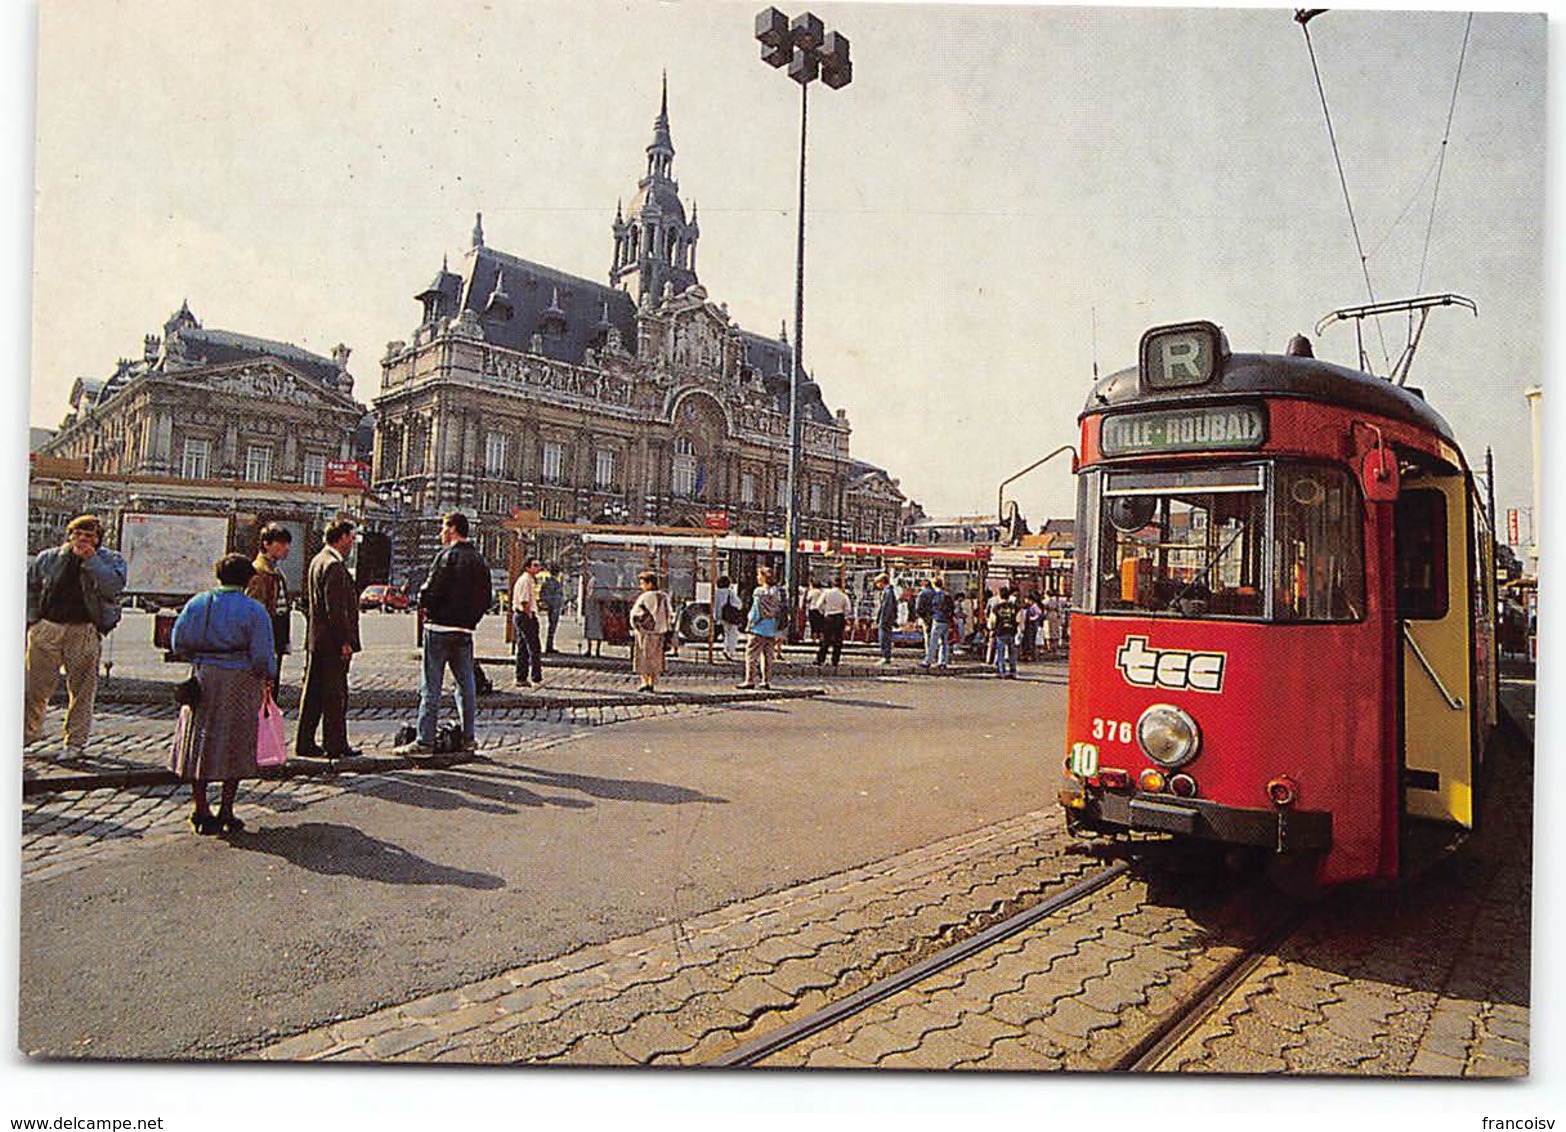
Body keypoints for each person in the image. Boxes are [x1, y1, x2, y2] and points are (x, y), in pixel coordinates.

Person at [169, 554, 276, 834]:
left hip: (205, 677)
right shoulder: (254, 610)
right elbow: (264, 655)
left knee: (200, 739)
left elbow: (178, 641)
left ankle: (200, 808)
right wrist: (267, 676)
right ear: (248, 579)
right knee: (236, 740)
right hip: (240, 680)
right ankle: (227, 808)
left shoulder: (199, 603)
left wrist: (200, 657)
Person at [24, 514, 128, 758]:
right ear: (70, 536)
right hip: (48, 626)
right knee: (34, 687)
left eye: (89, 536)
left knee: (81, 689)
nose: (82, 539)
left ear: (98, 540)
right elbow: (31, 587)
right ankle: (28, 734)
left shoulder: (110, 560)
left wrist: (91, 561)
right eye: (78, 534)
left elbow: (113, 587)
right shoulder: (49, 558)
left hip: (84, 628)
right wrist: (33, 621)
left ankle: (75, 742)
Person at [397, 512, 490, 755]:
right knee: (466, 686)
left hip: (439, 628)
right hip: (464, 631)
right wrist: (471, 620)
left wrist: (428, 608)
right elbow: (485, 598)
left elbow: (430, 590)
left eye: (443, 528)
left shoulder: (446, 556)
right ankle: (468, 738)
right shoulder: (479, 560)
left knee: (432, 685)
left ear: (452, 530)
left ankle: (425, 740)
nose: (440, 533)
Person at [295, 519, 361, 759]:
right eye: (351, 538)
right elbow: (336, 609)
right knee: (335, 694)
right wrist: (345, 640)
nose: (352, 543)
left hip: (317, 640)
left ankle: (305, 741)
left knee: (313, 692)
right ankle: (336, 744)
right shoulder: (334, 565)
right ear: (341, 537)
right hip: (333, 642)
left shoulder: (317, 560)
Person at [245, 524, 293, 680]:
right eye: (281, 543)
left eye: (287, 543)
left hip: (275, 639)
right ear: (266, 544)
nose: (286, 548)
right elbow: (255, 611)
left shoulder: (275, 571)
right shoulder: (259, 573)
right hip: (265, 640)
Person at [737, 565, 783, 690]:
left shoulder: (759, 592)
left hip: (758, 628)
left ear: (763, 577)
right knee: (767, 656)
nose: (757, 577)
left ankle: (750, 680)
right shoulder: (777, 592)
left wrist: (750, 623)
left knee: (751, 655)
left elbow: (755, 610)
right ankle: (766, 680)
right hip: (771, 628)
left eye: (759, 575)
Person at [628, 570, 674, 693]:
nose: (641, 586)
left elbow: (635, 614)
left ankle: (644, 682)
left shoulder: (645, 597)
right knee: (655, 658)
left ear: (649, 584)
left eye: (642, 583)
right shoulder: (664, 596)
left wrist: (635, 626)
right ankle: (652, 682)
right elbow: (669, 614)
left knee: (643, 657)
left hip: (645, 632)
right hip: (660, 632)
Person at [512, 557, 545, 687]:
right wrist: (529, 614)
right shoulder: (526, 580)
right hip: (525, 616)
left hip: (521, 615)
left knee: (523, 648)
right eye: (535, 565)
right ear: (527, 567)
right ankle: (536, 677)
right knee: (534, 647)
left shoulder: (528, 580)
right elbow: (524, 600)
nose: (538, 567)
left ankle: (521, 677)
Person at [815, 577, 852, 668]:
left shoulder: (826, 593)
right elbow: (848, 609)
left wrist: (823, 612)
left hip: (829, 617)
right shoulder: (843, 595)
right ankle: (835, 660)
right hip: (839, 617)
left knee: (826, 639)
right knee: (838, 640)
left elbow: (818, 605)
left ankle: (820, 659)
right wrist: (844, 615)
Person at [989, 587, 1020, 678]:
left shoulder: (996, 608)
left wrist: (992, 629)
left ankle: (1002, 671)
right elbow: (1018, 619)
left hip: (1000, 631)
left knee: (1000, 652)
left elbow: (992, 621)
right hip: (1011, 631)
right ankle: (1013, 671)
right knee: (1012, 653)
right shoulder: (1014, 607)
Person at [924, 575, 953, 670]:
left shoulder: (936, 595)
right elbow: (951, 608)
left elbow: (933, 607)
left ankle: (928, 660)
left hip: (937, 619)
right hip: (946, 620)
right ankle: (943, 662)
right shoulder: (947, 595)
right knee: (944, 643)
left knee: (933, 641)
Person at [712, 574, 743, 661]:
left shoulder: (716, 592)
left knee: (726, 633)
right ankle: (730, 651)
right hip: (730, 616)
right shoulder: (730, 592)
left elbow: (715, 605)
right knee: (733, 634)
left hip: (721, 616)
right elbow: (738, 604)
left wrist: (716, 617)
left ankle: (726, 649)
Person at [539, 565, 566, 654]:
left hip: (551, 606)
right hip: (554, 607)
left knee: (551, 627)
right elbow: (558, 596)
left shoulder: (547, 582)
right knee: (552, 627)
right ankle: (549, 645)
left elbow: (542, 593)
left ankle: (549, 645)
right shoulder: (556, 583)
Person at [873, 573, 898, 666]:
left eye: (878, 583)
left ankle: (885, 656)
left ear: (882, 582)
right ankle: (885, 656)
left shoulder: (888, 592)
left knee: (884, 638)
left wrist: (883, 620)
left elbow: (886, 607)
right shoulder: (889, 591)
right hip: (887, 619)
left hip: (885, 620)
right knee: (884, 638)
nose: (877, 585)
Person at [912, 578, 937, 666]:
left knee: (928, 637)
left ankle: (929, 657)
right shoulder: (935, 592)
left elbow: (918, 608)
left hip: (926, 617)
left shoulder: (923, 593)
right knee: (935, 638)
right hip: (935, 617)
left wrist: (921, 617)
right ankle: (935, 656)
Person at [1019, 591, 1042, 662]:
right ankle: (1026, 654)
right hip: (1028, 626)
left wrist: (1032, 618)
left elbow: (1039, 614)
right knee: (1026, 640)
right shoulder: (1028, 607)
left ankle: (1031, 655)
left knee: (1031, 640)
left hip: (1031, 626)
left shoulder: (1034, 606)